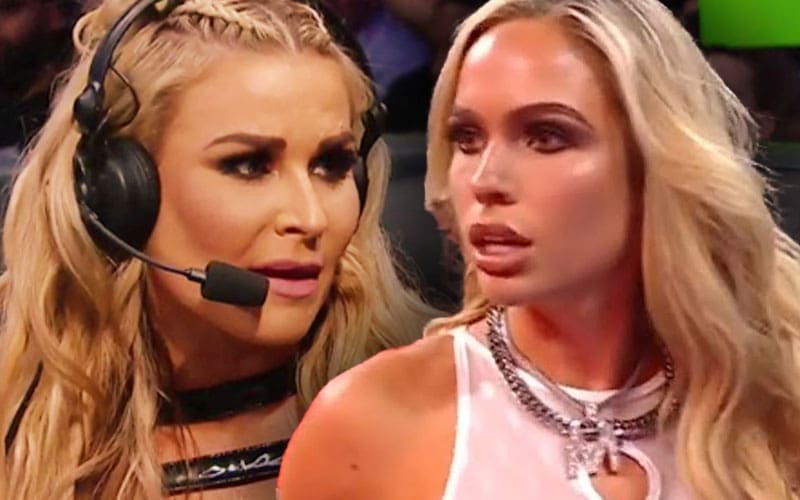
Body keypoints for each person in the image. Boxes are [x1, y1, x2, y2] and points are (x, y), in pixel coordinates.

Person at [278, 0, 800, 498]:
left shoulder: (773, 400)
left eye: (546, 137)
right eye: (467, 138)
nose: (485, 181)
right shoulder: (370, 424)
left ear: (655, 162)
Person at [0, 0, 436, 498]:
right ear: (115, 192)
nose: (311, 217)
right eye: (249, 165)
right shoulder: (17, 428)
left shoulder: (446, 409)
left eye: (331, 164)